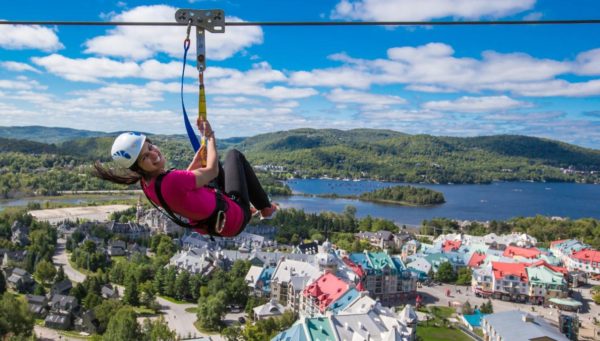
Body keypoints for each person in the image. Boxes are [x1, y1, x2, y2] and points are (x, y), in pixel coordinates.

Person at [93, 119, 278, 238]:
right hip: (234, 218)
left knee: (212, 164)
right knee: (233, 155)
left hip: (215, 222)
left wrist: (195, 161)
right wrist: (210, 136)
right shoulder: (172, 180)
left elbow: (179, 190)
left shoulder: (147, 184)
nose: (153, 154)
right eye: (145, 157)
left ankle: (255, 207)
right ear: (138, 167)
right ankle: (265, 208)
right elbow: (212, 171)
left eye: (150, 146)